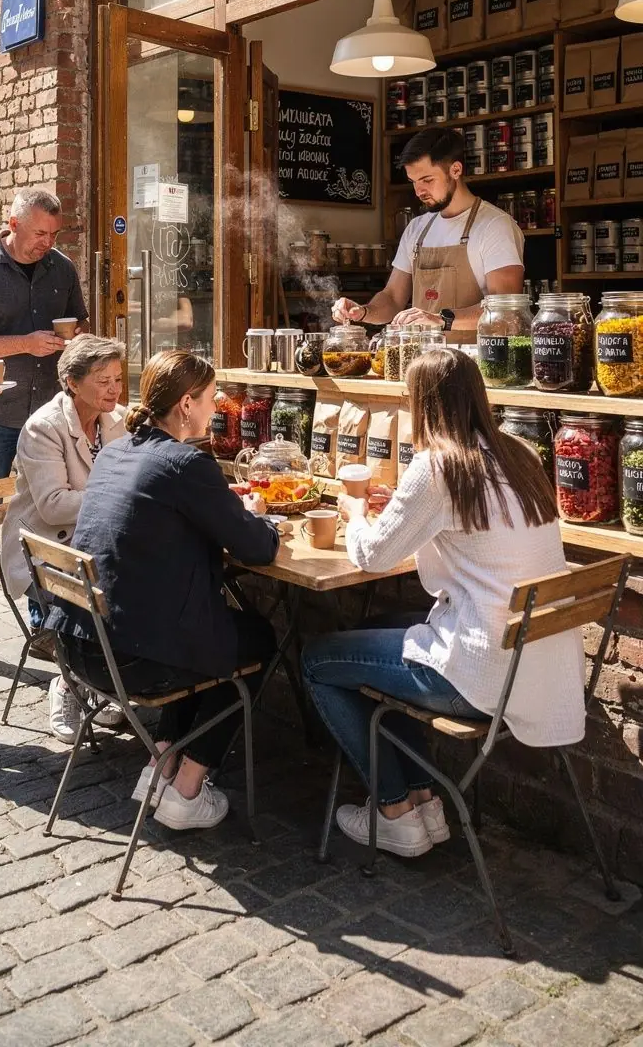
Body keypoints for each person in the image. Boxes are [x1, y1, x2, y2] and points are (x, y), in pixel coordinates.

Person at [302, 348, 585, 858]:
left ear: (423, 404)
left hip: (481, 679)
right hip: (537, 669)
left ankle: (393, 811)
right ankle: (424, 799)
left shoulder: (437, 466)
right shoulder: (519, 454)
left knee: (318, 660)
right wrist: (404, 509)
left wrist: (354, 510)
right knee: (383, 627)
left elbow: (372, 555)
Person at [46, 349, 279, 831]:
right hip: (134, 660)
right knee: (257, 639)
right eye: (212, 398)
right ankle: (187, 788)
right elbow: (256, 548)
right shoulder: (186, 464)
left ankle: (162, 762)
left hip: (81, 648)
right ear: (187, 403)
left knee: (198, 631)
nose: (216, 408)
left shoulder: (114, 452)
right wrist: (259, 517)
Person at [0, 186, 89, 677]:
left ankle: (44, 625)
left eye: (53, 234)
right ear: (12, 224)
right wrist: (24, 343)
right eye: (38, 233)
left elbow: (81, 328)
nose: (47, 243)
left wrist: (78, 344)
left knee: (41, 519)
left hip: (47, 419)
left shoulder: (62, 269)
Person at [2, 334, 128, 741]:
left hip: (97, 543)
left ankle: (102, 679)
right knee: (99, 591)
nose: (114, 389)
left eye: (118, 379)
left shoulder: (118, 419)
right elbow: (54, 506)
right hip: (47, 550)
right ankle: (69, 683)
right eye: (103, 380)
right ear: (72, 382)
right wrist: (118, 494)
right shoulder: (44, 427)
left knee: (145, 580)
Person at [332, 126, 525, 335]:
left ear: (456, 170)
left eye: (427, 180)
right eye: (413, 182)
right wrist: (363, 312)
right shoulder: (417, 228)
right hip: (424, 355)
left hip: (477, 355)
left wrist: (441, 319)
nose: (418, 191)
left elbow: (506, 312)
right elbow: (393, 298)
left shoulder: (495, 226)